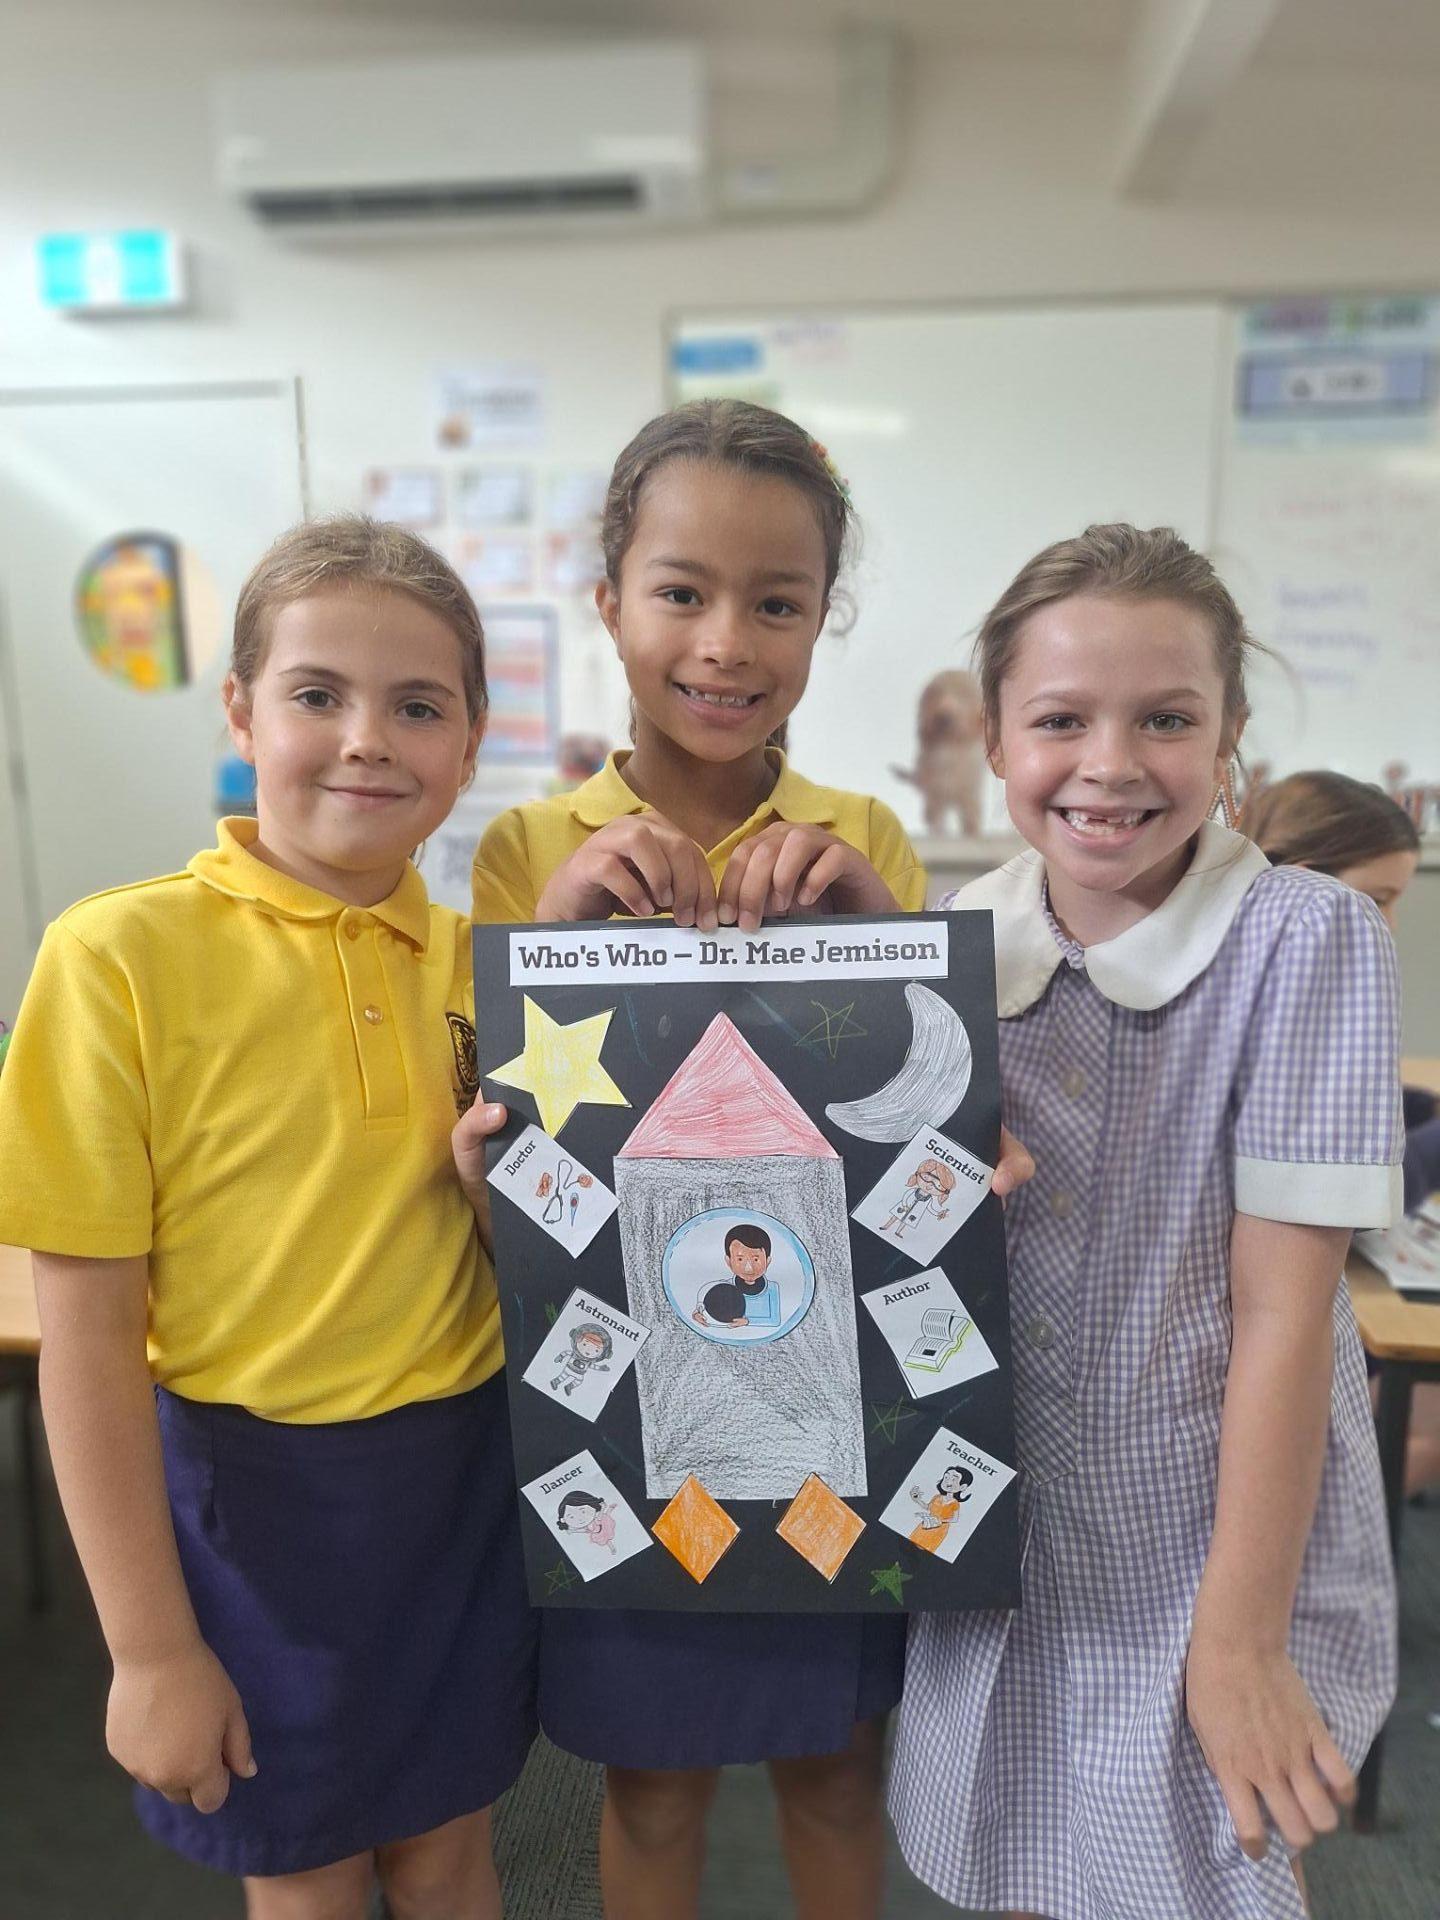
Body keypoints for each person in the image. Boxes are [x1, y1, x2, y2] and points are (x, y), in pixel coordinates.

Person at [471, 397, 1031, 1920]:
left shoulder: (865, 836)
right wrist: (559, 931)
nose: (726, 644)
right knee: (651, 1785)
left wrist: (875, 931)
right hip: (628, 1414)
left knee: (835, 1769)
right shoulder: (528, 849)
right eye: (682, 592)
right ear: (609, 602)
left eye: (778, 604)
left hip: (826, 1410)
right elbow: (500, 1165)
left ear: (823, 618)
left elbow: (917, 1125)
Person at [0, 518, 537, 1920]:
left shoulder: (496, 972)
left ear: (471, 741)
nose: (367, 740)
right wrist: (149, 1649)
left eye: (418, 706)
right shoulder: (116, 958)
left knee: (450, 1852)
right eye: (317, 694)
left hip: (459, 1481)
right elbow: (87, 1342)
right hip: (252, 1506)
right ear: (240, 712)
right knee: (306, 1876)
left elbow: (548, 1269)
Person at [889, 525, 1403, 1920]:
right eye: (1061, 720)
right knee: (1010, 1855)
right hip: (1008, 1526)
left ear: (1228, 737)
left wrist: (1238, 1641)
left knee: (1201, 1866)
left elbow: (1289, 1313)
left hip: (1214, 1534)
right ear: (995, 739)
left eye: (1167, 720)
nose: (1110, 764)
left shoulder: (1304, 938)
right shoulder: (952, 941)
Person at [1238, 769, 1440, 1492]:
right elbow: (1344, 1206)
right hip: (1282, 1341)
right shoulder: (1279, 989)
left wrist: (1416, 1109)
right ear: (1301, 882)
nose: (1388, 925)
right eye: (1377, 899)